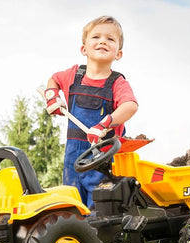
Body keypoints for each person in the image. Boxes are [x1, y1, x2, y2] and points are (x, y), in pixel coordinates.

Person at [44, 16, 138, 208]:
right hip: (73, 161)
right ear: (83, 49)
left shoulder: (117, 83)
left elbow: (130, 105)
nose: (103, 41)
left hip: (102, 161)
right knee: (71, 205)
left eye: (110, 39)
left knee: (99, 209)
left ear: (118, 53)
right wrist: (52, 96)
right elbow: (54, 79)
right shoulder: (73, 75)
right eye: (96, 37)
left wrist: (105, 124)